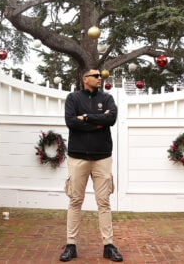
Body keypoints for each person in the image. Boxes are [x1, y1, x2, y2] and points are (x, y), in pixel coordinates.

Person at [60, 68, 123, 262]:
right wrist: (98, 121)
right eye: (95, 76)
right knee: (75, 201)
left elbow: (110, 118)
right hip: (78, 157)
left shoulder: (107, 98)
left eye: (100, 76)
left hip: (102, 157)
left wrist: (86, 117)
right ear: (85, 79)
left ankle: (108, 245)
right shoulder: (72, 98)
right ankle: (71, 245)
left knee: (103, 202)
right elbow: (71, 122)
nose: (100, 78)